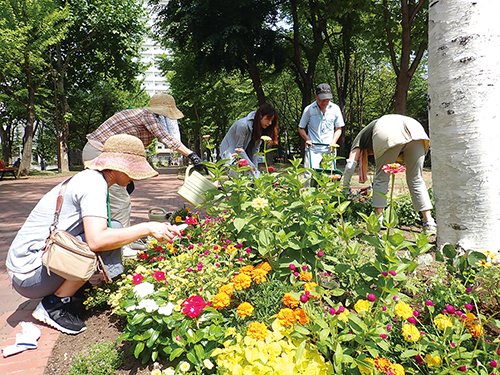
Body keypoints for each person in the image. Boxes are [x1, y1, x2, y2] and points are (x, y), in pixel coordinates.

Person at [6, 134, 183, 335]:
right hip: (30, 276)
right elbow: (97, 240)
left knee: (113, 226)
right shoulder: (93, 184)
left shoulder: (91, 178)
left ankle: (77, 289)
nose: (135, 176)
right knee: (110, 232)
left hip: (33, 267)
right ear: (118, 167)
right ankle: (54, 305)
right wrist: (147, 228)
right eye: (133, 169)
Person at [82, 93, 202, 228]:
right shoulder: (147, 115)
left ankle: (112, 233)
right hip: (100, 153)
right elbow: (166, 138)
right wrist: (192, 155)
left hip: (104, 153)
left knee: (110, 198)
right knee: (120, 201)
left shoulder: (144, 116)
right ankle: (121, 243)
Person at [342, 114, 437, 233]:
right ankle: (429, 222)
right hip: (416, 129)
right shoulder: (373, 129)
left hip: (388, 131)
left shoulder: (360, 136)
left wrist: (344, 188)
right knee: (416, 178)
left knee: (381, 178)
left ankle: (378, 219)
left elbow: (351, 164)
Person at [219, 103, 279, 177]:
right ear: (260, 116)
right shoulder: (242, 125)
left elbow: (255, 151)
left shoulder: (259, 129)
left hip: (244, 154)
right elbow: (238, 149)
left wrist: (255, 171)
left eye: (271, 121)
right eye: (268, 119)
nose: (270, 123)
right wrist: (252, 168)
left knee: (252, 176)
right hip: (231, 153)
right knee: (238, 177)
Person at [298, 83, 345, 170]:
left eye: (327, 99)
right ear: (316, 97)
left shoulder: (335, 109)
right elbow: (301, 128)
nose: (325, 102)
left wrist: (334, 142)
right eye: (322, 99)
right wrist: (307, 139)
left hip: (329, 148)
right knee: (310, 174)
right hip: (313, 148)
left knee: (329, 175)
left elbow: (338, 128)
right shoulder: (309, 109)